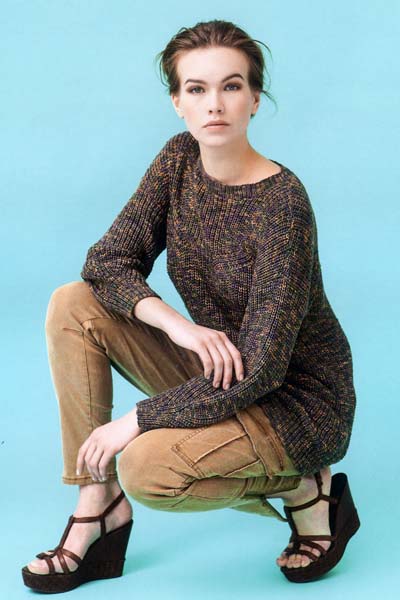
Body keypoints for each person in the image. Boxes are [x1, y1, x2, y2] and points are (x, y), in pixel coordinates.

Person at [21, 19, 360, 593]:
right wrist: (177, 325)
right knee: (73, 304)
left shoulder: (283, 205)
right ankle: (97, 502)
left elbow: (264, 367)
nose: (215, 105)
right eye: (197, 89)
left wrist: (135, 420)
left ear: (255, 98)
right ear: (178, 102)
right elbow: (107, 262)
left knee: (147, 468)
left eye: (232, 86)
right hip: (220, 369)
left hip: (292, 401)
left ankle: (306, 485)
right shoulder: (178, 161)